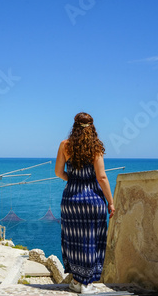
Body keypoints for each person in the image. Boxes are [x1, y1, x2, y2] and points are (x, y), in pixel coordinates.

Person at [55, 112, 115, 294]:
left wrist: (73, 179)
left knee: (73, 239)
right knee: (91, 240)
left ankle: (75, 281)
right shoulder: (95, 147)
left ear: (74, 126)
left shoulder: (65, 145)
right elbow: (102, 177)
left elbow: (58, 172)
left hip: (71, 201)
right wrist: (110, 203)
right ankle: (86, 284)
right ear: (92, 127)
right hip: (92, 201)